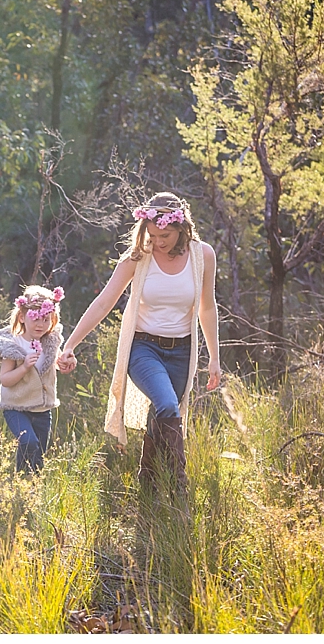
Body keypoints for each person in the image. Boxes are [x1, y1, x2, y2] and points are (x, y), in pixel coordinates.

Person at [56, 193, 220, 494]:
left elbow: (206, 307)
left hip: (183, 350)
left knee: (160, 415)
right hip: (144, 349)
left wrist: (214, 358)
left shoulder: (203, 255)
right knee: (168, 405)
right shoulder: (137, 258)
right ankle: (179, 488)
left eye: (165, 235)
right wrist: (70, 344)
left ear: (181, 228)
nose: (159, 242)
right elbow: (105, 301)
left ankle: (148, 486)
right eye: (153, 235)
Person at [0, 285, 66, 473]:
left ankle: (32, 488)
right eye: (35, 319)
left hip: (42, 408)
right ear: (22, 317)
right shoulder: (13, 345)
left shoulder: (50, 343)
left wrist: (66, 363)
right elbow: (5, 379)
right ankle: (20, 479)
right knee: (28, 441)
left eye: (46, 319)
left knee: (39, 454)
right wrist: (24, 367)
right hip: (16, 408)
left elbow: (58, 363)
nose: (40, 324)